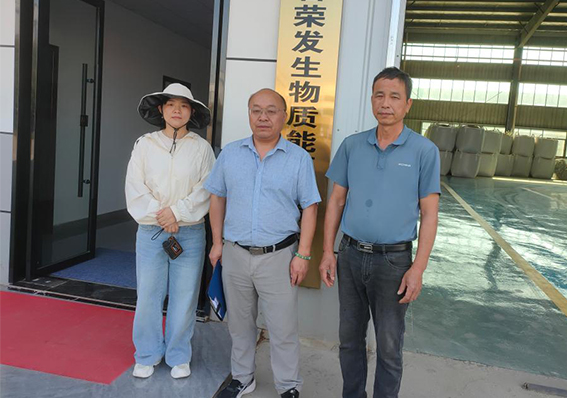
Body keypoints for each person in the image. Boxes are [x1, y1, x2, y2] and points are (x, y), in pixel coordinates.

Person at [319, 67, 440, 398]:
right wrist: (328, 251)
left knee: (388, 346)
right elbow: (336, 201)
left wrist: (418, 268)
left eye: (395, 97)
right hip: (351, 255)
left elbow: (430, 214)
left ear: (408, 104)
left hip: (394, 263)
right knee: (349, 340)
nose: (386, 103)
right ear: (371, 99)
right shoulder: (352, 146)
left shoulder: (424, 151)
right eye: (379, 95)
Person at [204, 88, 320, 398]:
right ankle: (243, 378)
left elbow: (310, 208)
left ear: (284, 116)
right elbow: (217, 197)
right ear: (249, 115)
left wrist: (303, 255)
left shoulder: (297, 158)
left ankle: (288, 385)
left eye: (271, 110)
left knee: (282, 328)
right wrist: (217, 242)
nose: (263, 117)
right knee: (239, 324)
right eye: (256, 110)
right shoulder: (230, 154)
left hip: (279, 256)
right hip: (235, 253)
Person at [125, 83, 215, 379]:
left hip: (190, 233)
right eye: (172, 105)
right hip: (151, 232)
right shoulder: (145, 144)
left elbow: (207, 189)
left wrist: (177, 212)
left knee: (184, 297)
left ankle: (178, 355)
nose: (177, 110)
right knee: (148, 295)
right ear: (161, 110)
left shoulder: (202, 148)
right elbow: (135, 187)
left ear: (192, 112)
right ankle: (147, 354)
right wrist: (163, 215)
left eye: (184, 105)